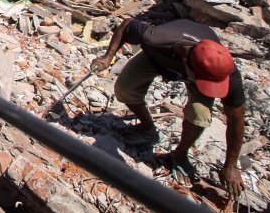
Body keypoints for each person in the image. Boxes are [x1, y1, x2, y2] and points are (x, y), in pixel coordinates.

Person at [90, 17, 245, 196]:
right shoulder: (157, 39)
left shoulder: (225, 73)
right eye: (206, 82)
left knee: (199, 114)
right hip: (160, 60)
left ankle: (179, 154)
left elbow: (236, 121)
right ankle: (148, 129)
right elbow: (126, 25)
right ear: (187, 63)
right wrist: (107, 57)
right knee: (125, 88)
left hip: (196, 66)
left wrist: (231, 165)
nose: (212, 89)